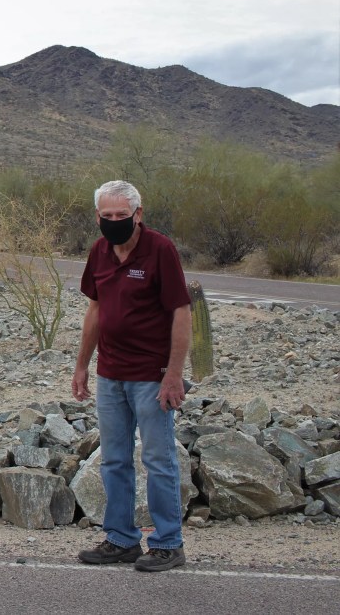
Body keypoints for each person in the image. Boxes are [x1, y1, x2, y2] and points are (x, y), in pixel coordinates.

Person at [72, 180, 192, 572]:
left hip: (151, 375)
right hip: (110, 374)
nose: (113, 222)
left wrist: (174, 374)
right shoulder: (99, 251)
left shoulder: (160, 250)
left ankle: (168, 543)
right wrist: (81, 364)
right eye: (106, 216)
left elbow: (181, 312)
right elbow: (95, 310)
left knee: (158, 458)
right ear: (97, 217)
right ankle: (121, 539)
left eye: (121, 216)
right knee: (114, 460)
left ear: (138, 215)